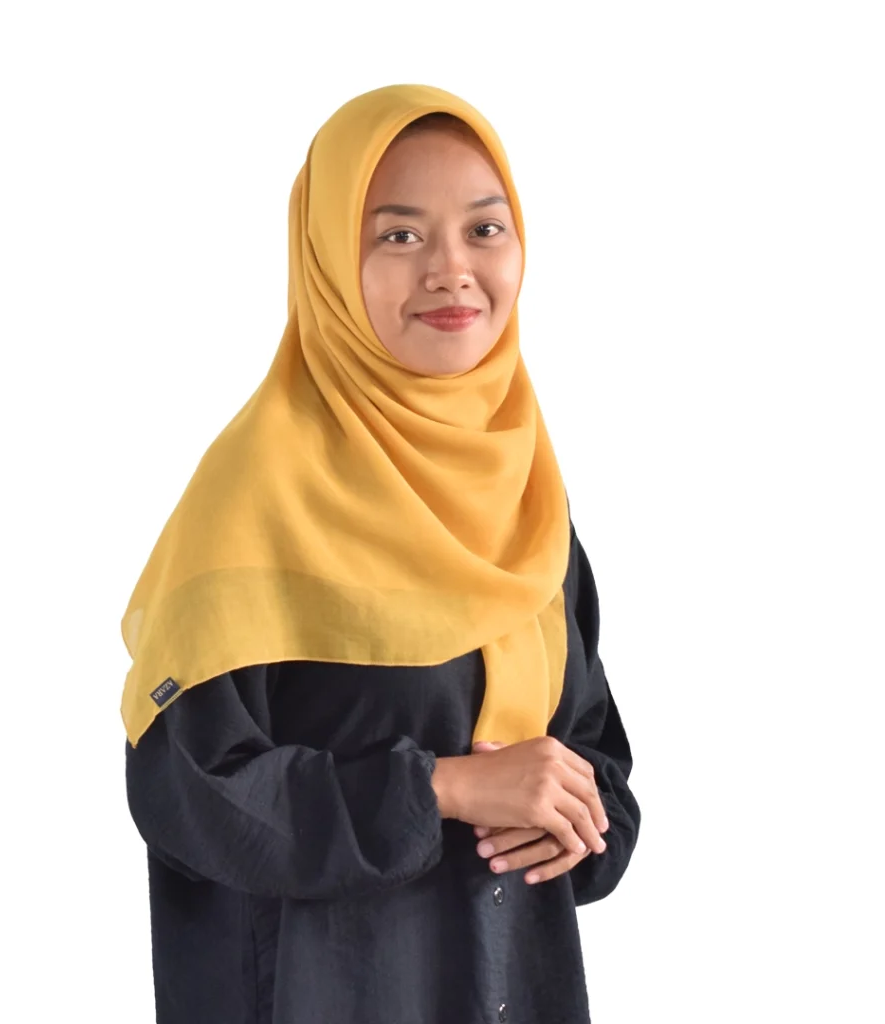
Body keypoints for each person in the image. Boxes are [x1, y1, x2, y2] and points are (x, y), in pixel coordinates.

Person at [121, 82, 641, 1024]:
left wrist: (578, 820)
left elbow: (594, 757)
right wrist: (443, 788)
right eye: (399, 235)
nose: (452, 270)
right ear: (325, 257)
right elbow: (192, 794)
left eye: (484, 229)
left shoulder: (524, 496)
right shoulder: (256, 494)